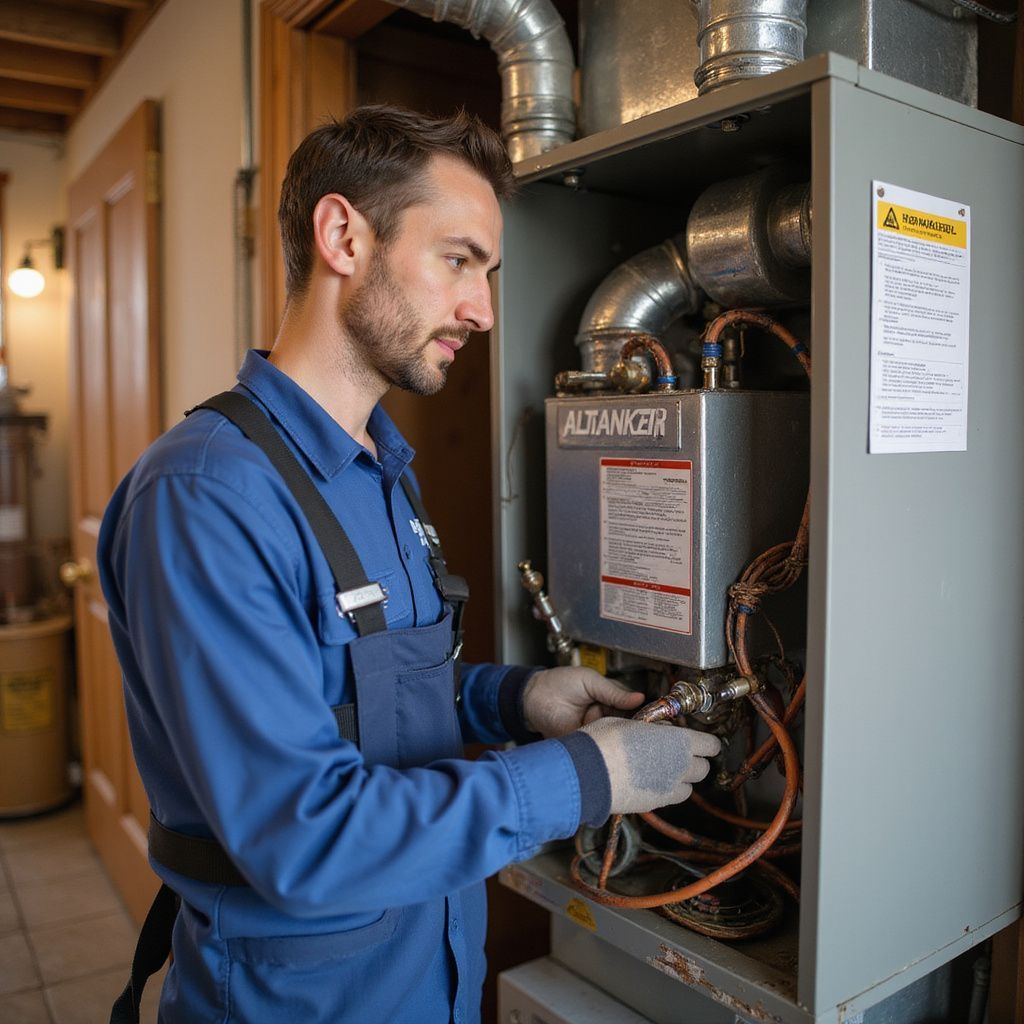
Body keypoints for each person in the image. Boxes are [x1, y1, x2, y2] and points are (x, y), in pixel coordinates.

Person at [99, 105, 720, 1024]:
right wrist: (592, 777)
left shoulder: (377, 470)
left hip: (433, 977)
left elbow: (362, 693)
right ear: (343, 235)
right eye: (458, 259)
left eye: (489, 271)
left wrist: (513, 699)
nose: (482, 309)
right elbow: (304, 837)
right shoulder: (206, 496)